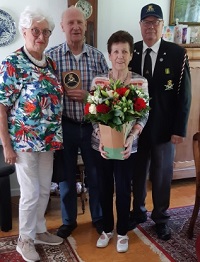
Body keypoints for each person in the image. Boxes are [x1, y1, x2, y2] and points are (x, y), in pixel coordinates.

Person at [0, 6, 64, 262]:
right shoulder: (12, 63)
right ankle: (24, 240)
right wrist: (6, 145)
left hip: (48, 139)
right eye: (35, 31)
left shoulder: (50, 62)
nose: (41, 36)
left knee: (44, 189)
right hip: (24, 141)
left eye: (45, 32)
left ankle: (38, 230)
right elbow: (1, 107)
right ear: (24, 31)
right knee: (29, 193)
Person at [128, 3, 191, 240]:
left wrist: (179, 129)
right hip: (135, 129)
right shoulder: (130, 52)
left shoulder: (177, 54)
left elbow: (184, 96)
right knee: (137, 173)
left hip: (165, 129)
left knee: (162, 176)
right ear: (141, 25)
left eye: (156, 22)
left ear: (163, 26)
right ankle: (138, 212)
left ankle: (161, 218)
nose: (151, 26)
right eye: (147, 22)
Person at [46, 6, 109, 238]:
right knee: (66, 177)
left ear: (85, 25)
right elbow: (47, 95)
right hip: (65, 126)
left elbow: (108, 95)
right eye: (70, 23)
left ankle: (99, 218)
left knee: (96, 175)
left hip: (92, 127)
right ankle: (68, 221)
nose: (75, 27)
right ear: (62, 27)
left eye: (79, 22)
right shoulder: (51, 57)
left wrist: (88, 96)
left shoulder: (98, 57)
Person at [91, 30, 149, 252]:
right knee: (104, 188)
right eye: (116, 51)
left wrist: (132, 136)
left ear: (131, 54)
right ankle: (107, 229)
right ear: (109, 54)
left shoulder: (139, 82)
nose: (120, 56)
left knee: (124, 189)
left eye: (124, 51)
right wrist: (102, 138)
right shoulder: (99, 81)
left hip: (128, 148)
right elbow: (94, 114)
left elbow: (143, 114)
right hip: (102, 148)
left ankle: (122, 231)